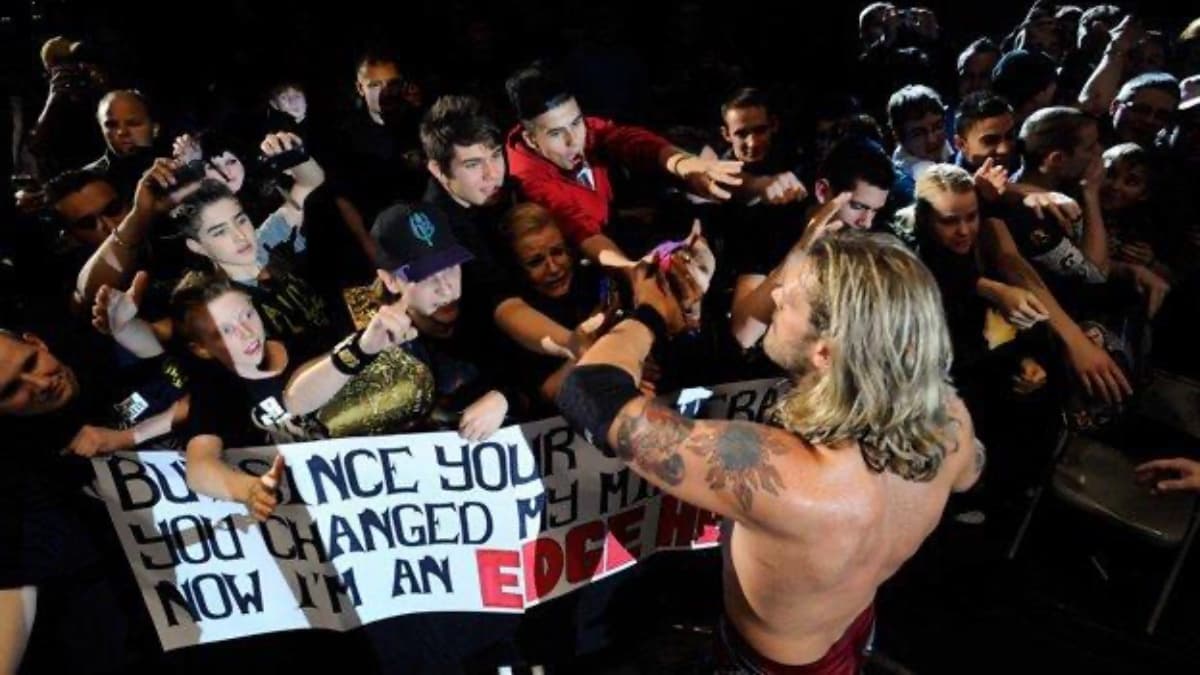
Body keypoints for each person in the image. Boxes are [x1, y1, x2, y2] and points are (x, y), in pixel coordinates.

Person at [554, 231, 982, 673]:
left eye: (791, 300)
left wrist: (650, 311)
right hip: (851, 627)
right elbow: (970, 473)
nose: (775, 295)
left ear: (824, 353)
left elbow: (590, 395)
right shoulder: (950, 423)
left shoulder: (785, 473)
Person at [504, 63, 742, 266]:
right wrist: (631, 271)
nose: (574, 140)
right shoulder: (528, 178)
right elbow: (579, 227)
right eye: (557, 133)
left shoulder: (584, 132)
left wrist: (684, 163)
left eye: (577, 123)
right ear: (531, 139)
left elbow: (626, 139)